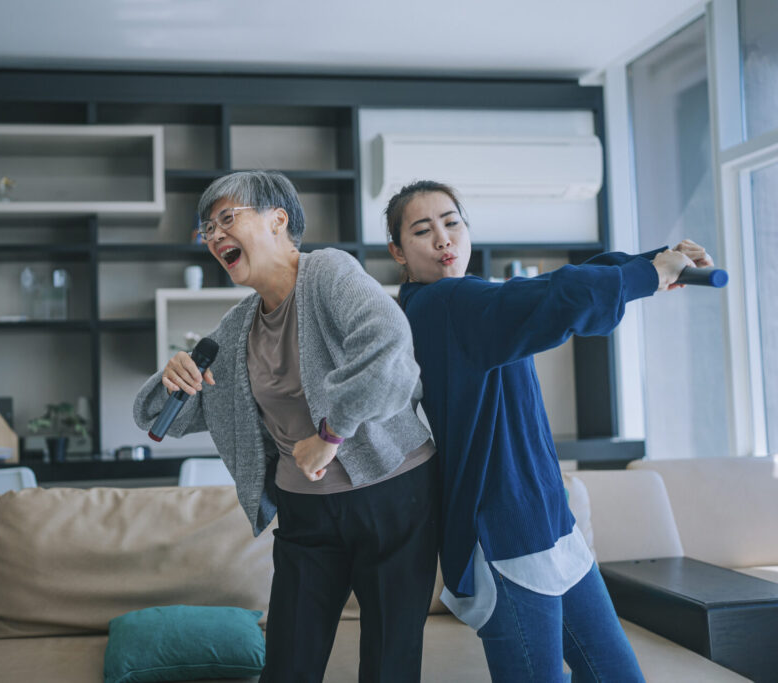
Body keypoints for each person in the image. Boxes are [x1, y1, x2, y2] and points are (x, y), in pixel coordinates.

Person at [385, 180, 713, 682]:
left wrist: (660, 259)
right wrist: (648, 271)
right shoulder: (439, 306)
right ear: (399, 252)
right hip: (501, 535)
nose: (443, 240)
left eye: (452, 223)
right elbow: (554, 297)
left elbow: (552, 286)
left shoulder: (477, 299)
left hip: (550, 522)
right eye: (422, 231)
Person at [134, 171, 439, 682]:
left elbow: (390, 349)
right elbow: (165, 416)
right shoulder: (236, 327)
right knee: (288, 665)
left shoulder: (329, 274)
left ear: (278, 220)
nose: (215, 237)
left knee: (389, 663)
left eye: (227, 219)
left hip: (392, 494)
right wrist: (170, 379)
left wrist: (331, 434)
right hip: (305, 514)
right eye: (208, 230)